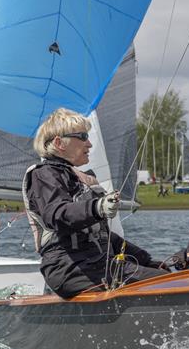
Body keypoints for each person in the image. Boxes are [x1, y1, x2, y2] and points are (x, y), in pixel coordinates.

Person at [22, 108, 168, 298]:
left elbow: (107, 239)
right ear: (59, 143)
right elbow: (56, 214)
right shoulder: (43, 174)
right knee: (164, 282)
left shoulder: (80, 179)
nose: (89, 144)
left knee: (164, 275)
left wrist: (150, 261)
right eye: (82, 136)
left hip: (96, 264)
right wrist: (97, 207)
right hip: (69, 268)